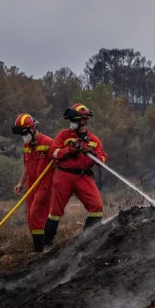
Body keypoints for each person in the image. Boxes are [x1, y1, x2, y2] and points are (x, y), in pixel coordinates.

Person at [43, 103, 107, 247]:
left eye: (74, 120)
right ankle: (46, 244)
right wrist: (69, 150)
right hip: (64, 175)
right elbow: (53, 153)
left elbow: (103, 160)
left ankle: (87, 239)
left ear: (84, 120)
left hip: (83, 176)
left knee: (97, 207)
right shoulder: (64, 135)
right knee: (55, 211)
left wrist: (92, 154)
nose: (71, 123)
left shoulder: (94, 140)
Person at [11, 113, 56, 253]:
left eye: (25, 133)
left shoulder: (48, 143)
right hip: (31, 185)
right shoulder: (26, 145)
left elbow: (59, 163)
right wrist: (21, 183)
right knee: (31, 218)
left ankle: (43, 247)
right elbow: (27, 166)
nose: (23, 136)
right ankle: (40, 248)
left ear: (33, 128)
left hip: (45, 184)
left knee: (35, 213)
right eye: (21, 134)